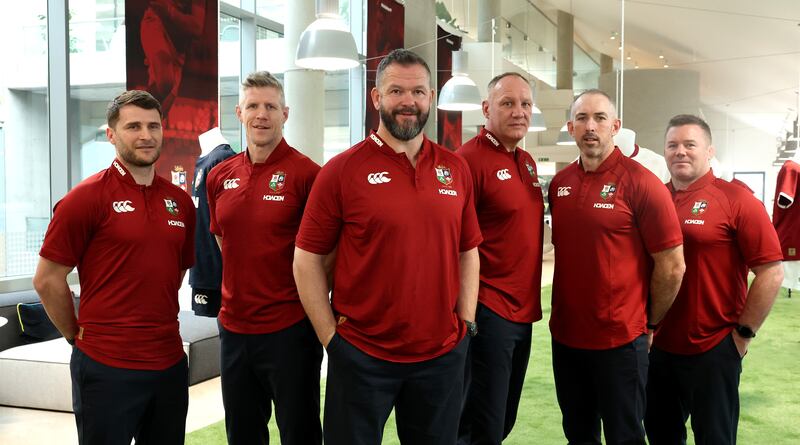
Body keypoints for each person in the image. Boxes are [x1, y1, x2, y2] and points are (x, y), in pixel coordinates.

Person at [293, 48, 482, 445]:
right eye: (396, 91)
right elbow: (306, 260)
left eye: (418, 92)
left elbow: (468, 251)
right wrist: (331, 339)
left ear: (431, 98)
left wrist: (465, 325)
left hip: (440, 356)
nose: (408, 102)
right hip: (361, 357)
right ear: (377, 98)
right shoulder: (341, 171)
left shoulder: (456, 168)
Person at [32, 90, 195, 445]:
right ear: (111, 134)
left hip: (168, 364)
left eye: (153, 126)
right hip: (106, 367)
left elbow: (174, 271)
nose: (146, 135)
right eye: (133, 126)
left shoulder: (180, 202)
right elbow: (47, 280)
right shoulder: (84, 199)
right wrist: (75, 334)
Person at [547, 89, 685, 444]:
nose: (590, 127)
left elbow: (672, 267)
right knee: (578, 433)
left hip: (620, 341)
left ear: (615, 126)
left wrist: (650, 321)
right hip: (566, 337)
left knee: (625, 435)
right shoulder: (561, 185)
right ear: (570, 127)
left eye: (599, 119)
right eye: (581, 119)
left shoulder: (642, 183)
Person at [645, 114, 784, 444]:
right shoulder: (653, 200)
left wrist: (743, 335)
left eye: (690, 144)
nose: (680, 151)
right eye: (673, 145)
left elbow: (771, 271)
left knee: (715, 438)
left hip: (714, 349)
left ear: (709, 151)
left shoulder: (737, 199)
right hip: (656, 347)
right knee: (661, 435)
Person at [206, 71, 323, 445]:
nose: (262, 114)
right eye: (253, 106)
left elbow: (326, 252)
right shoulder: (219, 175)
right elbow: (224, 238)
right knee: (242, 432)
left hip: (290, 329)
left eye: (271, 106)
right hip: (235, 329)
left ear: (285, 113)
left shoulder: (308, 175)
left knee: (299, 432)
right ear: (239, 112)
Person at [456, 72, 544, 445]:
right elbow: (455, 243)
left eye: (525, 104)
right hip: (488, 309)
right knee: (481, 425)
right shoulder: (467, 161)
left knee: (504, 417)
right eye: (508, 103)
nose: (519, 112)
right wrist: (466, 315)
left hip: (523, 311)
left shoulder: (526, 161)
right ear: (487, 109)